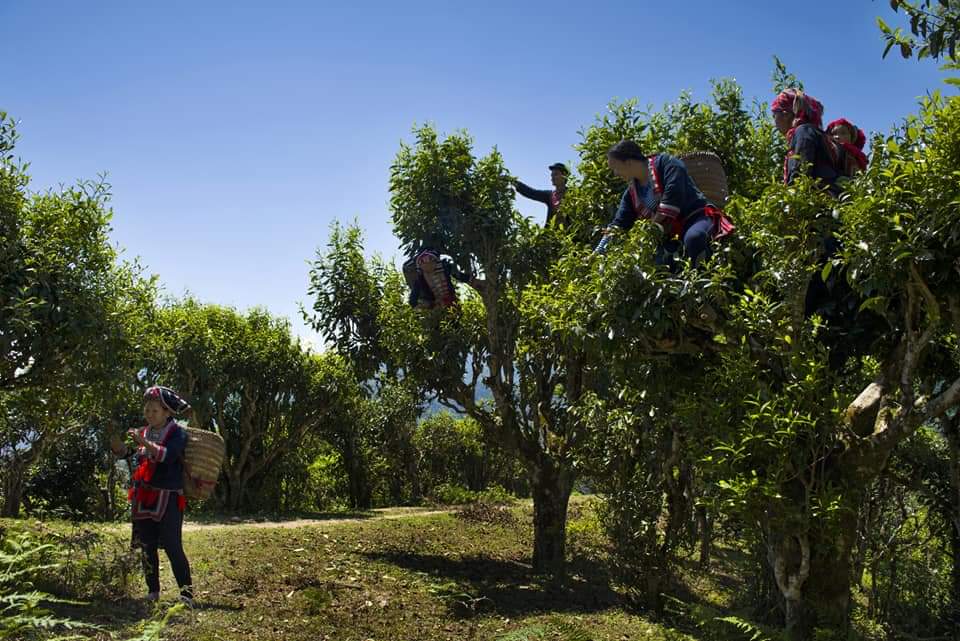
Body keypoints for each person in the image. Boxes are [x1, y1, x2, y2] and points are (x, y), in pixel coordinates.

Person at [112, 386, 194, 606]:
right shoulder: (144, 432)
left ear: (167, 412)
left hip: (168, 497)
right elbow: (131, 454)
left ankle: (186, 594)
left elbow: (167, 455)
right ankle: (153, 591)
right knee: (147, 544)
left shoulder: (177, 433)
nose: (149, 414)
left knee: (171, 544)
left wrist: (144, 443)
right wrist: (119, 448)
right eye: (147, 409)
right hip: (143, 494)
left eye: (154, 410)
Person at [595, 140, 733, 269]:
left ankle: (706, 286)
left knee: (694, 238)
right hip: (668, 233)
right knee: (658, 265)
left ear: (628, 162)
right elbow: (619, 224)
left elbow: (674, 195)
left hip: (695, 217)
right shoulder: (631, 194)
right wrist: (597, 253)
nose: (615, 173)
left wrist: (651, 228)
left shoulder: (667, 164)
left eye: (616, 168)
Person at [771, 88, 847, 195]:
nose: (773, 121)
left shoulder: (803, 132)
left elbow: (801, 173)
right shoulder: (822, 137)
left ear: (786, 114)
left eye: (774, 115)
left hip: (819, 204)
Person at [402, 249, 482, 309]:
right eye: (423, 261)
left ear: (435, 260)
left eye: (430, 259)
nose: (427, 263)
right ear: (420, 264)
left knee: (455, 322)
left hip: (451, 302)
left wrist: (476, 281)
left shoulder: (445, 267)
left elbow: (460, 276)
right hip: (435, 309)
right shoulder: (420, 279)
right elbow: (413, 301)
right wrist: (428, 305)